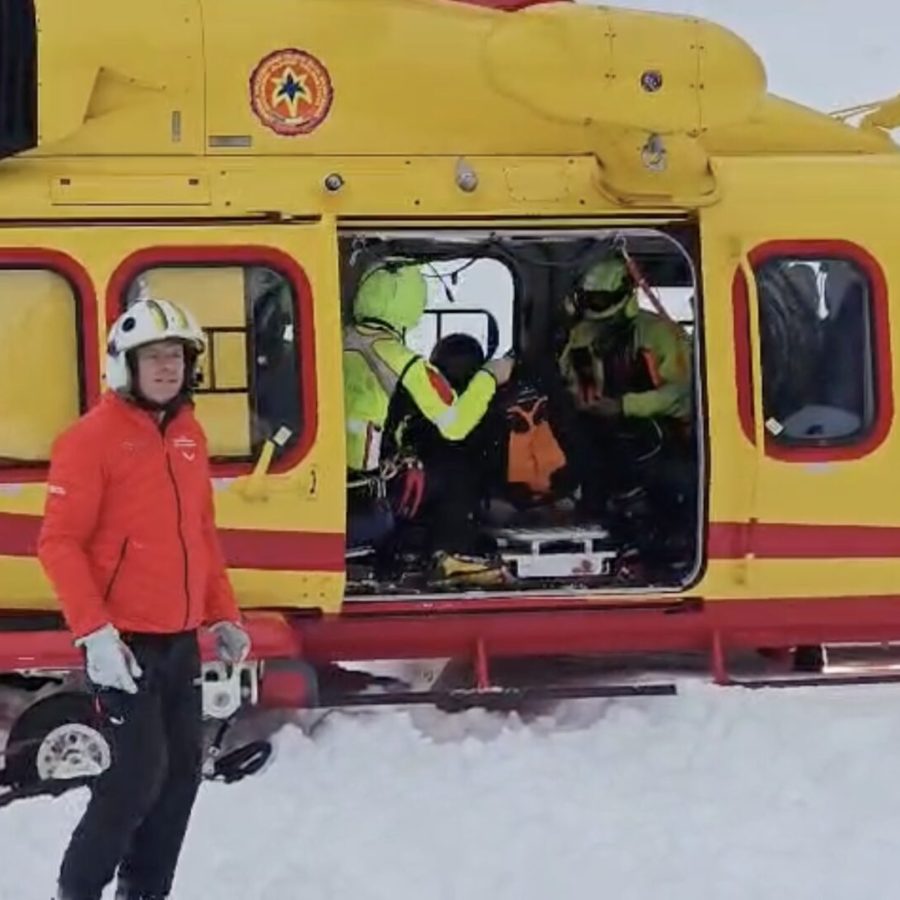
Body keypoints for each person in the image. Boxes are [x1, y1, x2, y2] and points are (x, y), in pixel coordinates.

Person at [38, 296, 251, 900]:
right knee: (135, 778)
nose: (167, 367)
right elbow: (58, 543)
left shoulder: (189, 437)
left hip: (180, 641)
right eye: (153, 356)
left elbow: (199, 534)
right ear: (124, 365)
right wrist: (95, 634)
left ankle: (144, 892)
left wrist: (224, 615)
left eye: (176, 356)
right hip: (123, 646)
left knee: (181, 777)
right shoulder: (89, 440)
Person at [342, 261, 513, 584]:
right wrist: (490, 376)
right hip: (367, 498)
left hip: (330, 491)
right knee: (455, 466)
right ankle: (449, 555)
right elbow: (455, 424)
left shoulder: (335, 341)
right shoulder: (401, 361)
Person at [557, 255, 694, 573]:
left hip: (662, 430)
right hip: (598, 425)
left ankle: (658, 545)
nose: (596, 306)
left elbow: (681, 393)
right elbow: (568, 376)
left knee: (664, 479)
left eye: (602, 299)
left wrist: (624, 406)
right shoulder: (582, 333)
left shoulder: (660, 333)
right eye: (590, 299)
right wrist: (578, 399)